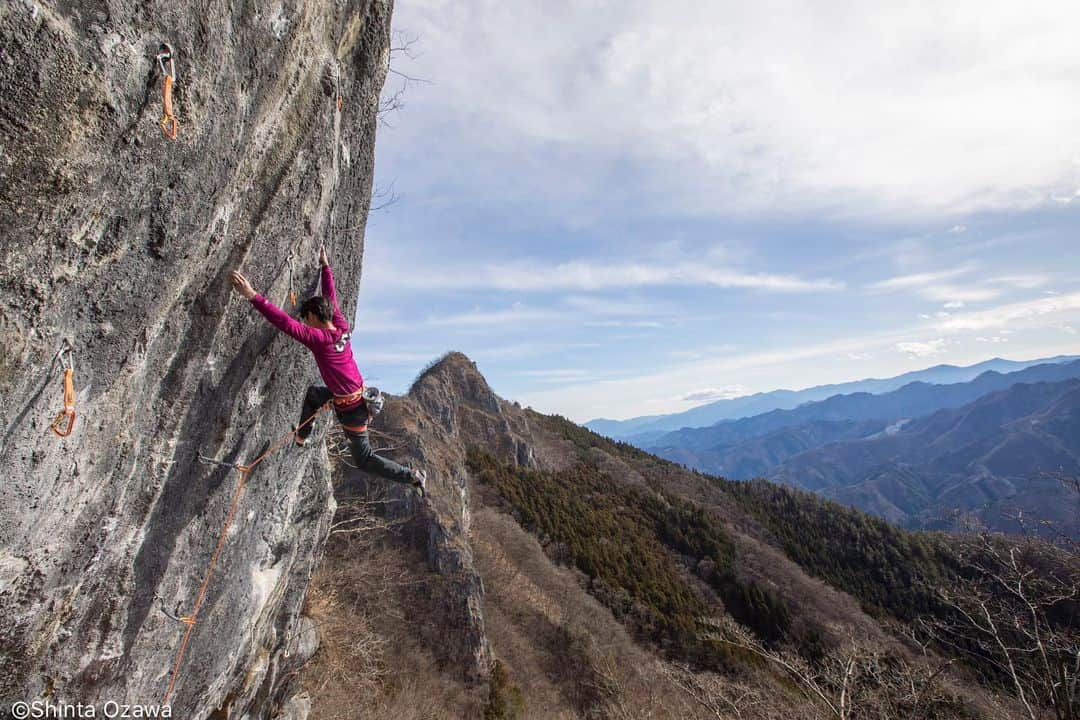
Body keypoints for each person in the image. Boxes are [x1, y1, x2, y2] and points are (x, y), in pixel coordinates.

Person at [229, 247, 426, 497]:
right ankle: (302, 437)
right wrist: (325, 266)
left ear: (312, 316)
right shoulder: (341, 326)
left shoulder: (318, 338)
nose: (305, 322)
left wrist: (252, 295)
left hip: (352, 410)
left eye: (306, 318)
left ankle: (412, 476)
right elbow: (330, 297)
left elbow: (285, 322)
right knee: (313, 395)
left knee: (363, 458)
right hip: (354, 398)